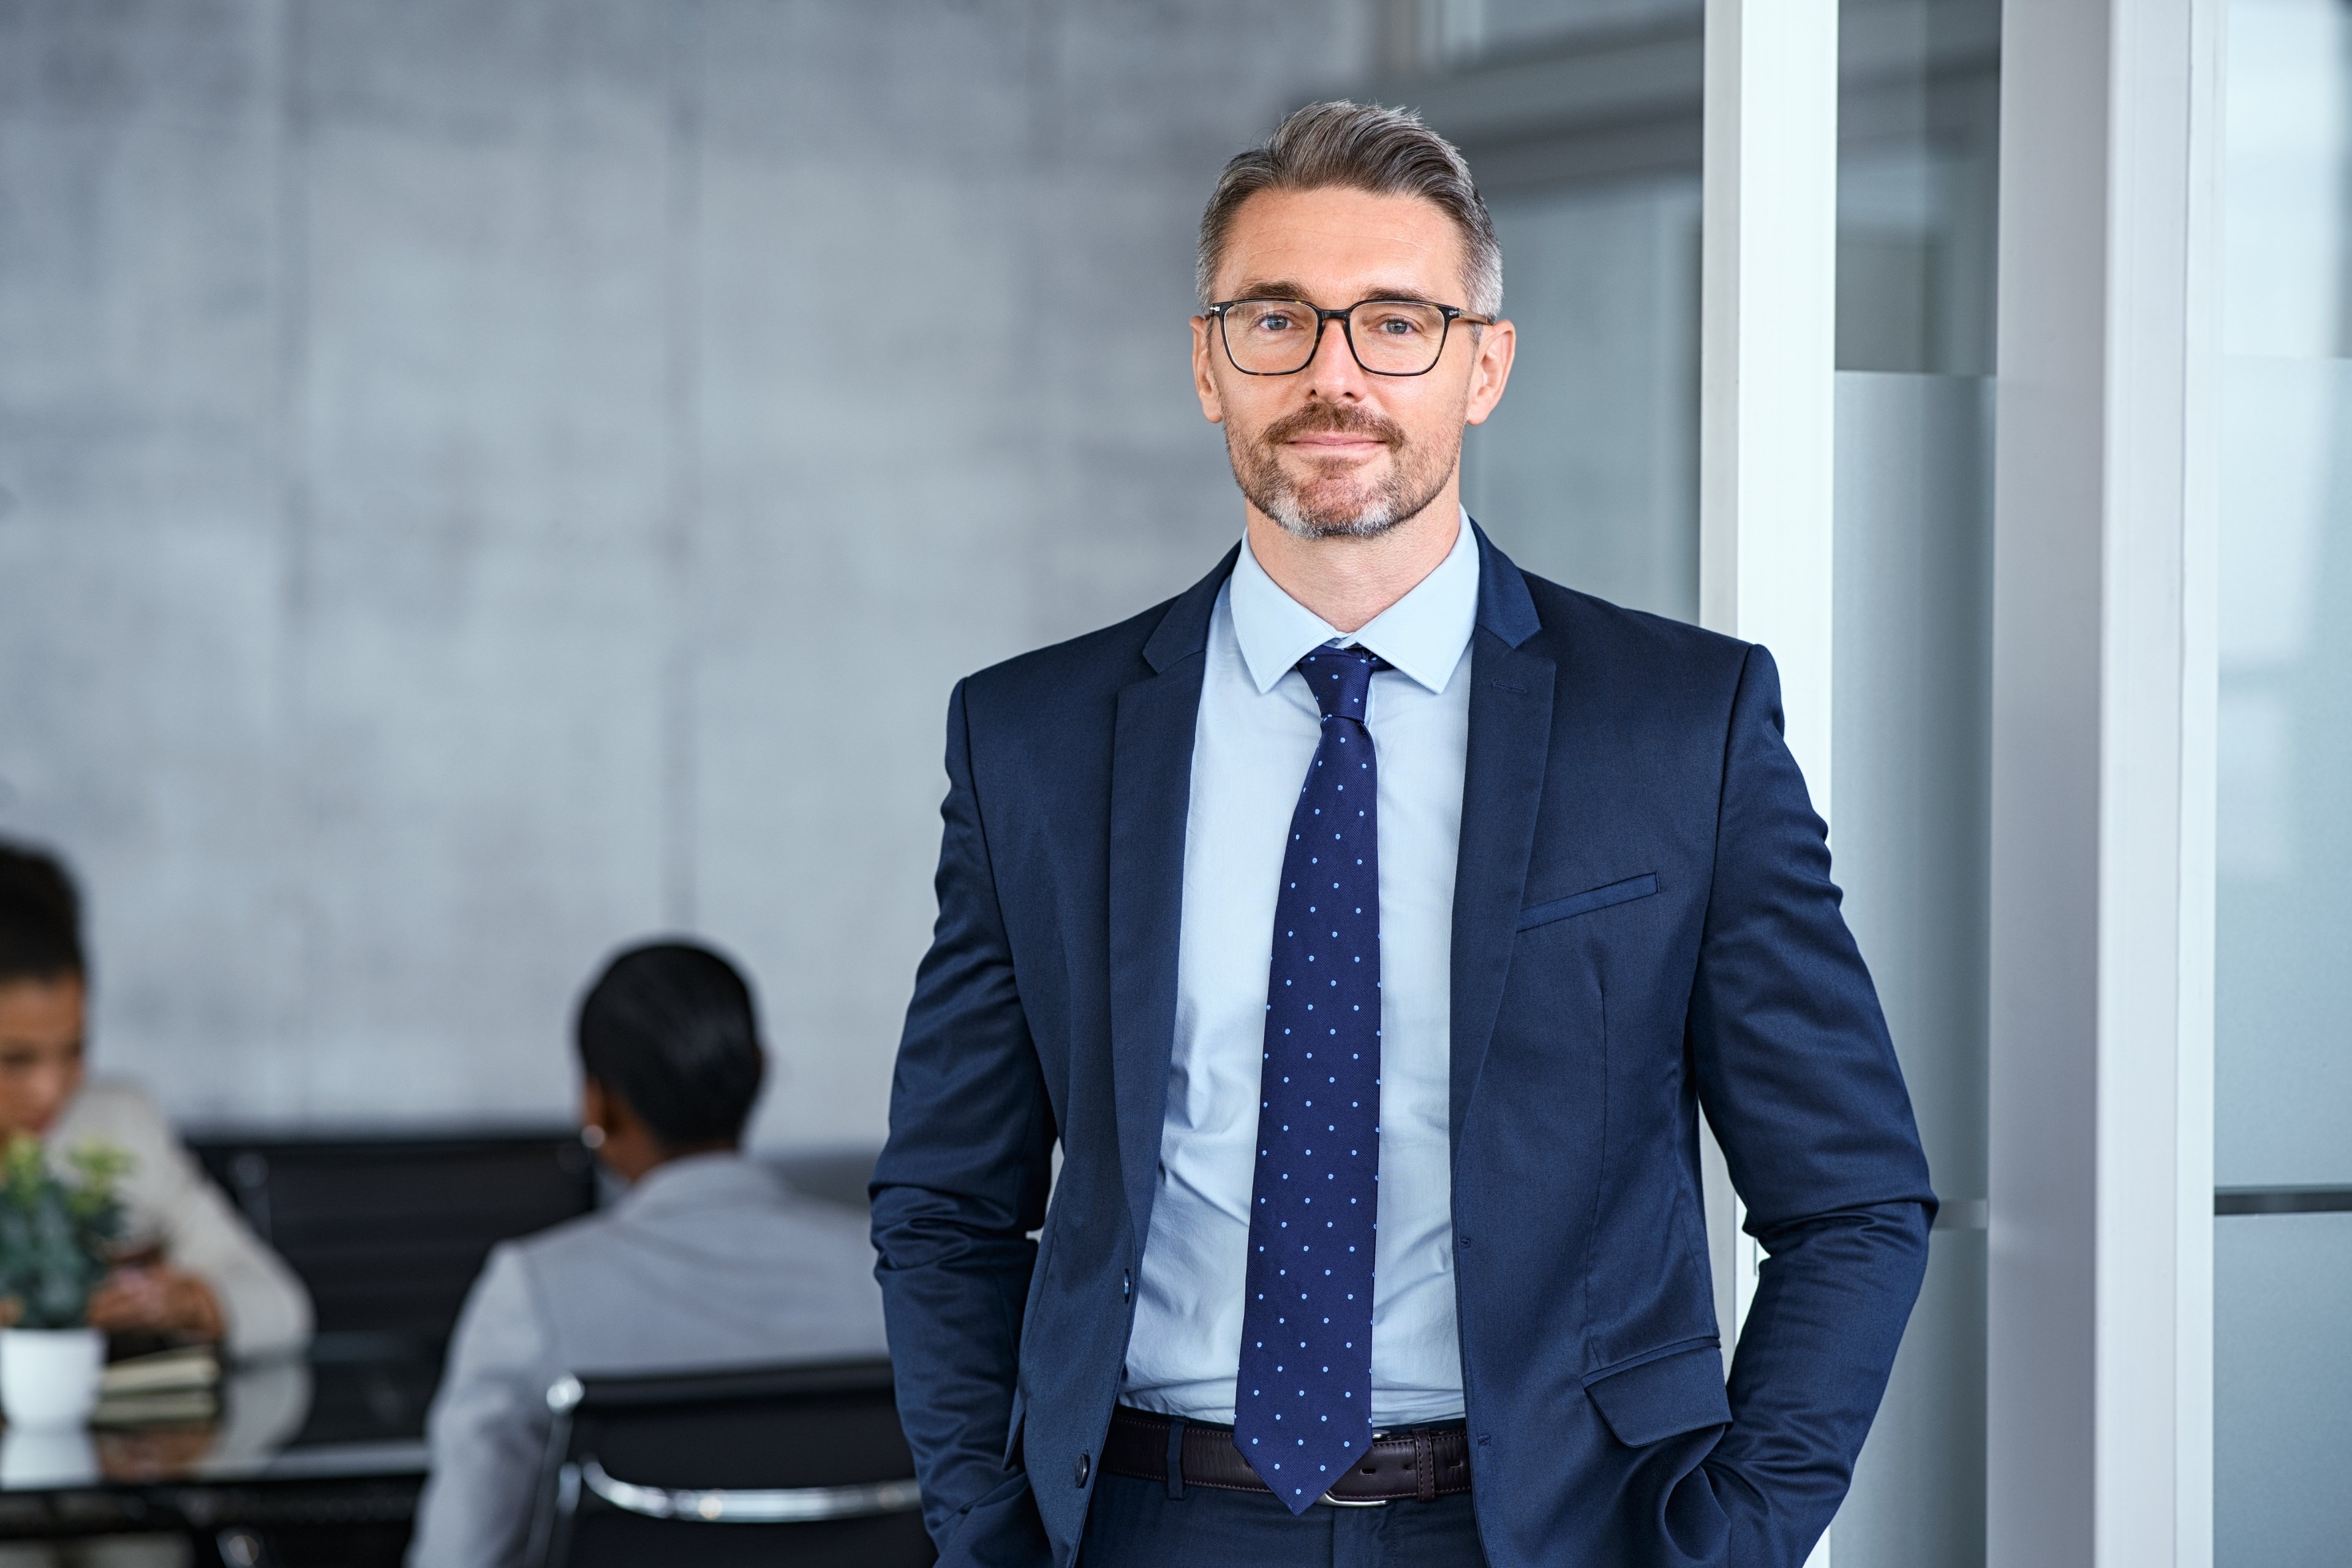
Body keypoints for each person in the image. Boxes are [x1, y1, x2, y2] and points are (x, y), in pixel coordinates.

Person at [871, 101, 1937, 1568]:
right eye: (1275, 321)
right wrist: (986, 1534)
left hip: (1551, 1528)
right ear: (1206, 362)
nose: (1331, 375)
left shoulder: (1678, 724)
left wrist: (1729, 1539)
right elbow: (944, 1202)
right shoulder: (1034, 741)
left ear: (1481, 365)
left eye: (1393, 323)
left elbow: (1853, 1198)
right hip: (1148, 1520)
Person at [409, 940, 889, 1568]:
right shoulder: (886, 1272)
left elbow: (461, 1554)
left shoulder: (531, 1293)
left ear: (597, 1105)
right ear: (760, 1073)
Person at [0, 842, 311, 1358]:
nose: (51, 1089)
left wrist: (192, 1303)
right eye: (14, 1060)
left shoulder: (122, 1120)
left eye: (75, 1050)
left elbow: (281, 1305)